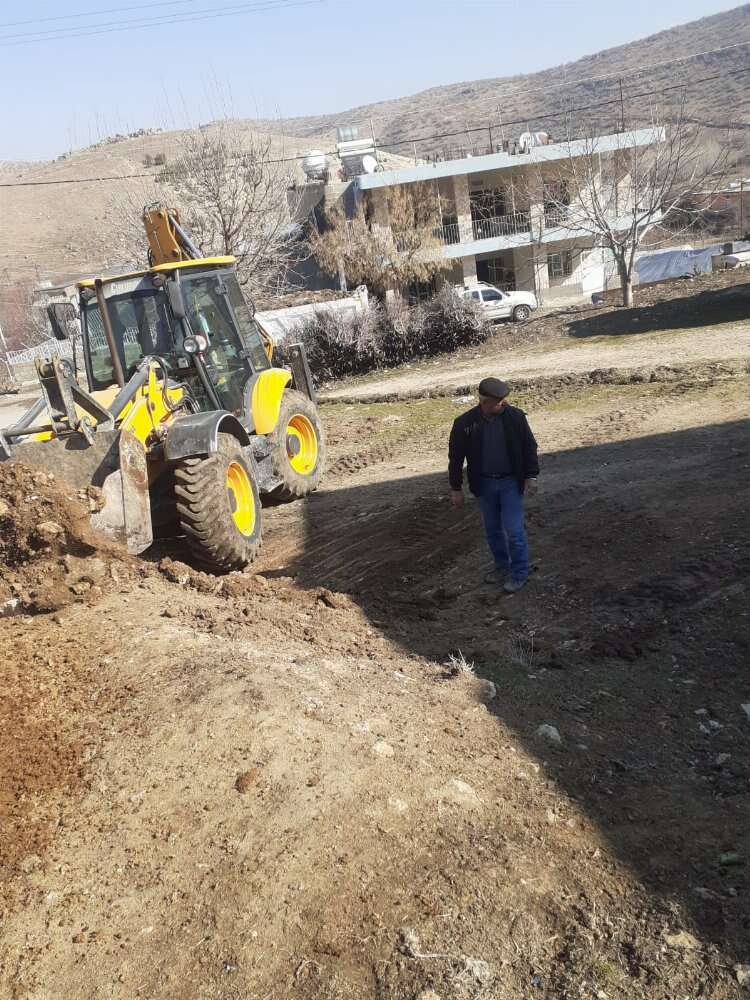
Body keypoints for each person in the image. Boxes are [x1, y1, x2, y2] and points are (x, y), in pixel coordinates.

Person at [448, 377, 539, 593]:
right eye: (499, 401)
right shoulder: (464, 424)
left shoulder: (515, 417)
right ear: (484, 402)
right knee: (493, 530)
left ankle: (519, 573)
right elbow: (456, 458)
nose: (504, 403)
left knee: (514, 531)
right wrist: (456, 488)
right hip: (485, 485)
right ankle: (502, 566)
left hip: (510, 483)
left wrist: (531, 476)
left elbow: (529, 446)